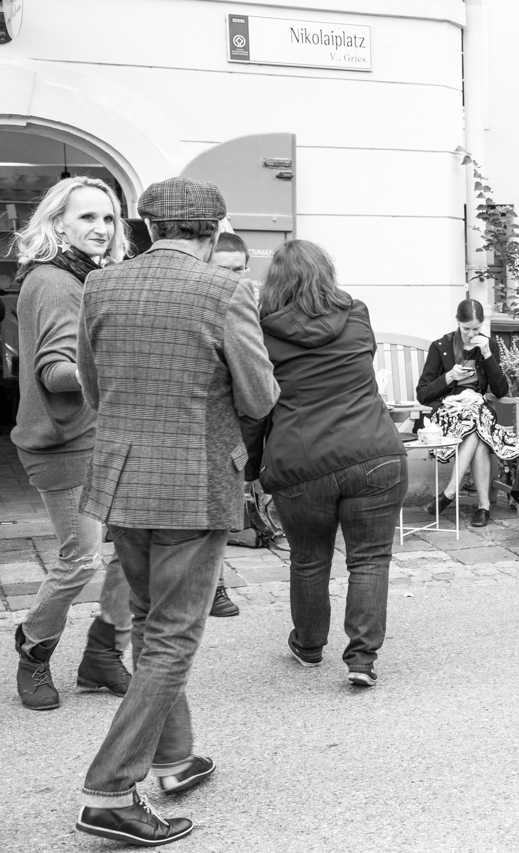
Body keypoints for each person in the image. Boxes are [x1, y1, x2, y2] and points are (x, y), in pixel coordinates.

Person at [74, 177, 279, 846]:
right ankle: (109, 789)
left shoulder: (100, 286)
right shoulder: (227, 291)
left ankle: (175, 756)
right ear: (214, 231)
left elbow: (93, 385)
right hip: (194, 486)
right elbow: (257, 397)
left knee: (148, 622)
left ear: (144, 226)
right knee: (171, 639)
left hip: (123, 481)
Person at [245, 239, 407, 687]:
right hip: (374, 451)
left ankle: (309, 645)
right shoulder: (357, 314)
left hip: (301, 461)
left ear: (273, 283)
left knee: (309, 558)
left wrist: (251, 467)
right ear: (326, 275)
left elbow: (256, 406)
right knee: (370, 559)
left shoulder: (260, 331)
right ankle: (361, 660)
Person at [9, 176, 132, 711]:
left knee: (134, 548)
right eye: (87, 218)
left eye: (108, 219)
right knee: (80, 561)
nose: (101, 229)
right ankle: (33, 648)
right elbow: (56, 371)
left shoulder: (87, 277)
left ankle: (102, 655)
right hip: (63, 445)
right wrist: (118, 366)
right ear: (58, 222)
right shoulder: (57, 282)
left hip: (101, 438)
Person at [415, 298, 519, 528]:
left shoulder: (487, 345)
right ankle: (482, 506)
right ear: (458, 323)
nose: (471, 334)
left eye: (476, 329)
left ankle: (450, 493)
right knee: (480, 437)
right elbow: (423, 394)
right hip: (449, 413)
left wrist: (487, 355)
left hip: (479, 412)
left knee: (477, 423)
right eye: (466, 329)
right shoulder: (441, 347)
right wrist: (450, 377)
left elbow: (501, 391)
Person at [206, 231, 256, 618]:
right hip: (211, 419)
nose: (232, 278)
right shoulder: (202, 302)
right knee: (213, 508)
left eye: (238, 270)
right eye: (224, 270)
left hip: (249, 415)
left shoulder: (253, 303)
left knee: (226, 507)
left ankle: (211, 585)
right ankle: (214, 586)